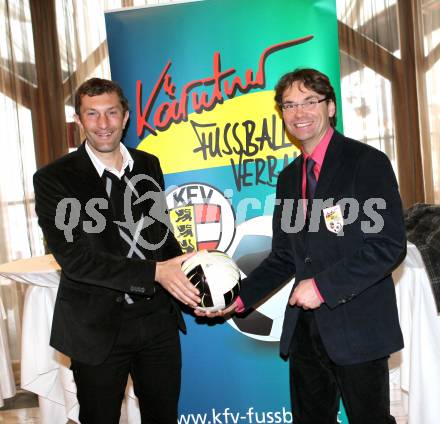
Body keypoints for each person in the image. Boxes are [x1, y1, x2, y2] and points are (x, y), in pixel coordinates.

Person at [199, 68, 406, 424]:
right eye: (290, 105)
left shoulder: (366, 163)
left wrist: (323, 287)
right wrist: (239, 297)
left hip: (358, 328)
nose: (299, 113)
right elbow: (284, 256)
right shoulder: (290, 178)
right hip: (305, 333)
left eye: (310, 101)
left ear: (330, 108)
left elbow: (388, 246)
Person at [33, 78, 200, 424]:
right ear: (79, 121)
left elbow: (159, 235)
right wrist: (155, 272)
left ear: (126, 117)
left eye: (111, 113)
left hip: (157, 321)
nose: (103, 123)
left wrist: (195, 271)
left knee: (163, 417)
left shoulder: (148, 164)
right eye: (92, 114)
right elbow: (74, 258)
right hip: (96, 326)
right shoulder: (53, 179)